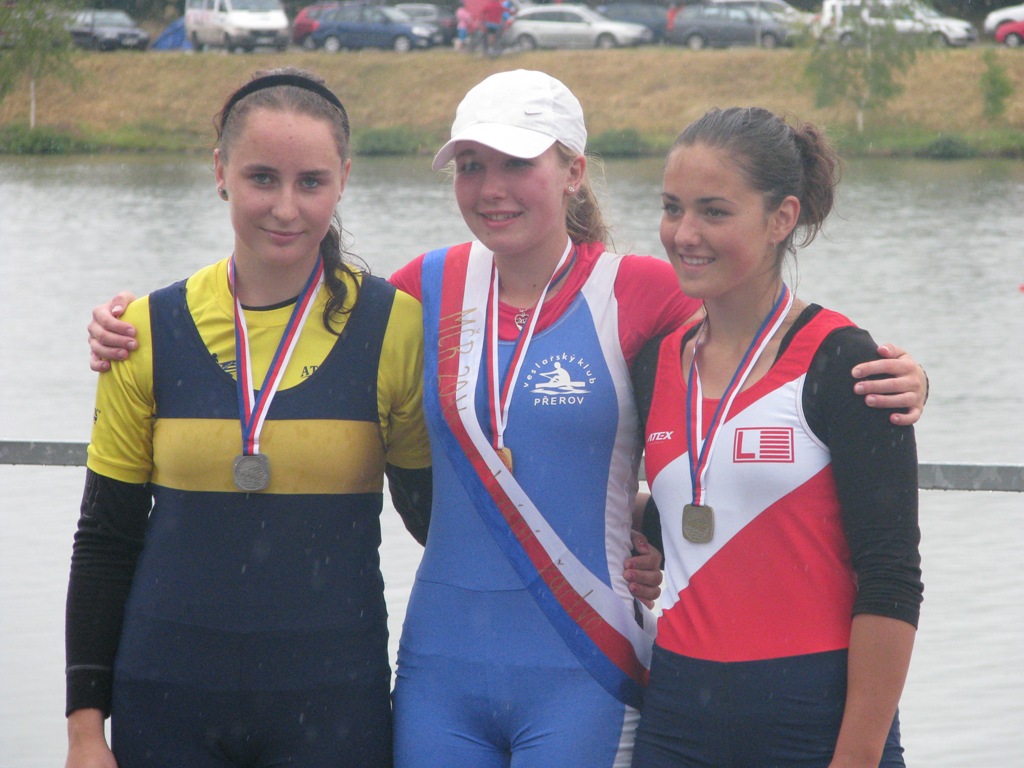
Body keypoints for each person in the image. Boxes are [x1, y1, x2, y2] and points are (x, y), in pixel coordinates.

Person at [85, 71, 928, 767]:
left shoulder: (644, 290)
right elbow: (281, 304)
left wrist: (903, 375)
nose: (490, 189)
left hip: (587, 667)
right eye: (470, 165)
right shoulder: (419, 290)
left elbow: (763, 338)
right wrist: (128, 326)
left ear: (573, 171)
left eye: (517, 163)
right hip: (438, 679)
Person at [64, 68, 433, 768]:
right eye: (262, 178)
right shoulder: (143, 330)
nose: (285, 208)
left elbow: (435, 521)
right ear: (220, 172)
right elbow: (106, 539)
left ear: (344, 180)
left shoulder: (395, 328)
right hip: (165, 699)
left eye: (311, 182)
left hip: (333, 705)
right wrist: (85, 730)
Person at [629, 107, 923, 767]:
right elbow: (712, 512)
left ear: (781, 218)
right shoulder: (652, 362)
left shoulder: (845, 362)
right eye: (672, 208)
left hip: (816, 722)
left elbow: (891, 576)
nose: (684, 234)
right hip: (677, 719)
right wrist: (637, 530)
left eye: (713, 211)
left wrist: (856, 757)